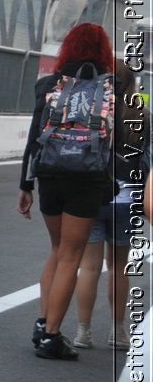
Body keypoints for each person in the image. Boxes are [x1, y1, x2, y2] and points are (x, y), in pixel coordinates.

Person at [17, 22, 146, 360]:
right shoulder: (111, 88)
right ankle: (52, 336)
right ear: (103, 50)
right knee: (73, 258)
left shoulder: (48, 84)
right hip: (87, 180)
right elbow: (116, 142)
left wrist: (25, 184)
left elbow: (33, 137)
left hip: (48, 175)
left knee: (58, 251)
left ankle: (44, 322)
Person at [71, 65, 145, 349]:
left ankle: (82, 332)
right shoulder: (142, 116)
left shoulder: (93, 111)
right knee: (119, 266)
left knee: (89, 267)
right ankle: (117, 331)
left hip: (93, 196)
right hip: (127, 200)